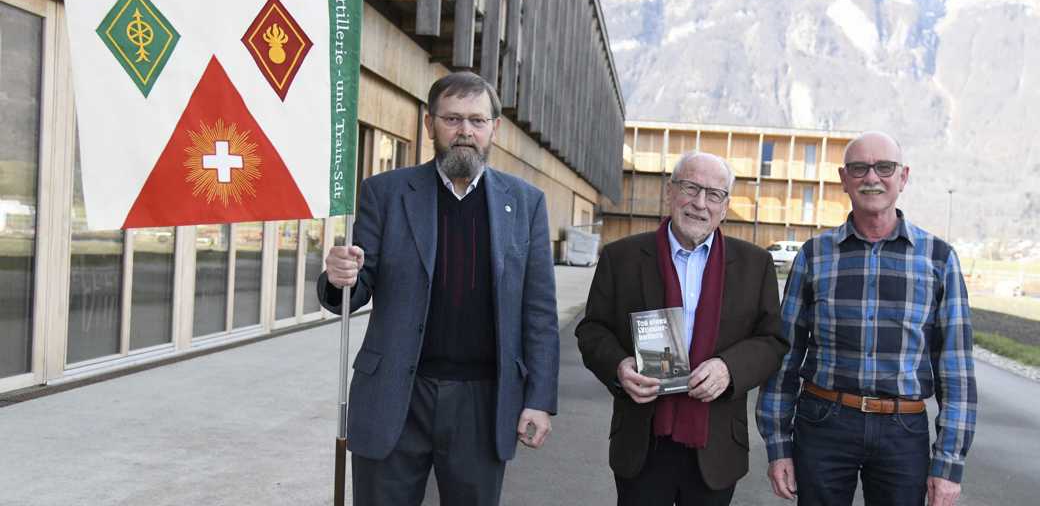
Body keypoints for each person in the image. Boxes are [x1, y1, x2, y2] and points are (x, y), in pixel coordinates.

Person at [317, 71, 559, 506]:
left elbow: (538, 311)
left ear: (494, 129)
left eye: (477, 120)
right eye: (452, 119)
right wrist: (340, 279)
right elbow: (359, 284)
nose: (465, 131)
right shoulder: (385, 193)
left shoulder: (525, 203)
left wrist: (539, 398)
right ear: (430, 124)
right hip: (396, 395)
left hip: (482, 403)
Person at [756, 131, 977, 506]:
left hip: (902, 431)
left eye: (884, 168)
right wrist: (778, 445)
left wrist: (948, 463)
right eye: (859, 168)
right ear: (844, 179)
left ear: (903, 177)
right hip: (823, 424)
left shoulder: (939, 259)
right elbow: (785, 356)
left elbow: (954, 370)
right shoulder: (814, 256)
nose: (871, 178)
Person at [576, 151, 788, 506]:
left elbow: (772, 341)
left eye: (714, 194)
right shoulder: (622, 257)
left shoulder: (755, 264)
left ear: (725, 206)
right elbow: (592, 330)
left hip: (715, 443)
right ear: (670, 192)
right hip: (643, 439)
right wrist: (619, 366)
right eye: (690, 188)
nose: (700, 203)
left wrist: (729, 369)